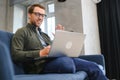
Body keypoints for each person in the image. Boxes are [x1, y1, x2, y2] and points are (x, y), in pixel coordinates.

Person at [11, 4, 107, 80]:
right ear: (29, 15)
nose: (40, 18)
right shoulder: (22, 31)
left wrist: (59, 38)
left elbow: (52, 50)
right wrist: (40, 53)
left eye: (43, 15)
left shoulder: (44, 35)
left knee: (94, 66)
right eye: (37, 14)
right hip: (39, 66)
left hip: (55, 60)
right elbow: (16, 55)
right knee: (67, 63)